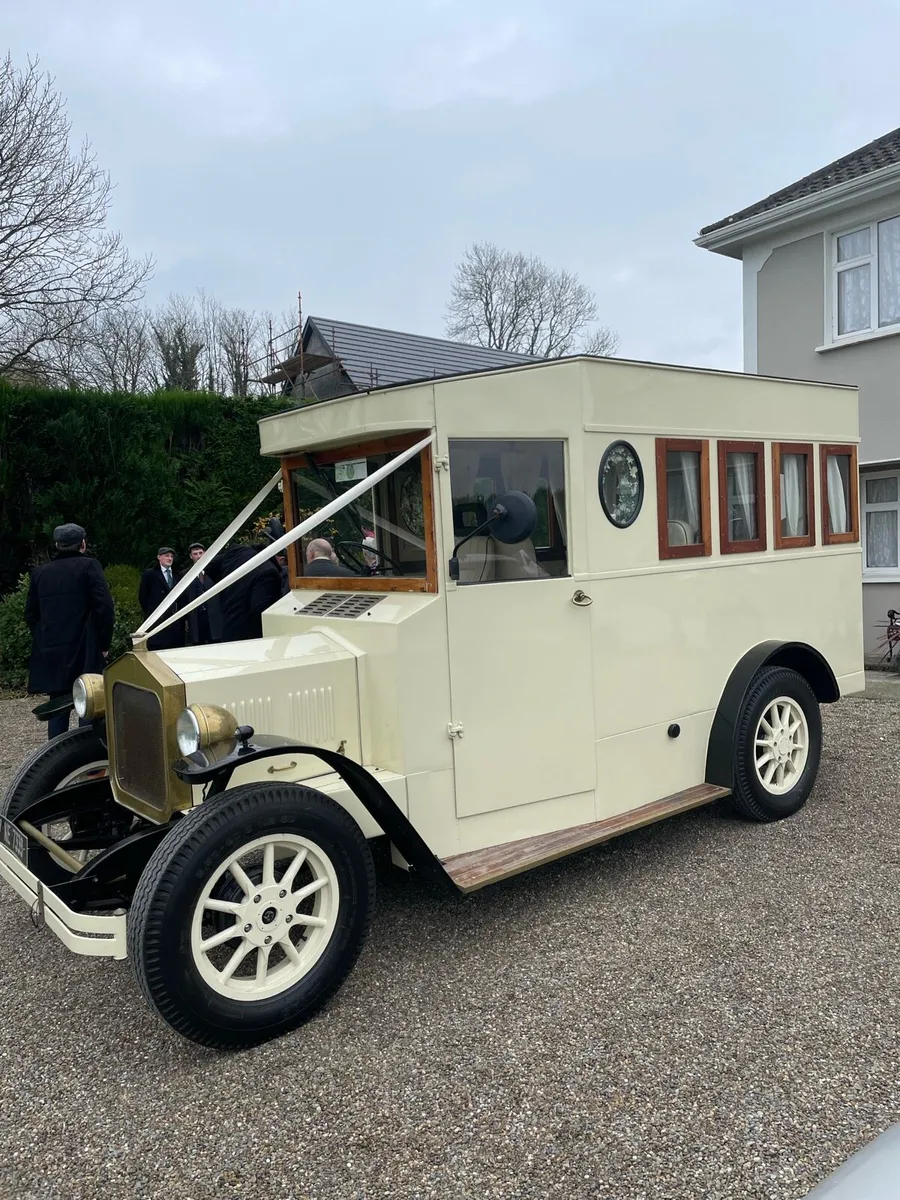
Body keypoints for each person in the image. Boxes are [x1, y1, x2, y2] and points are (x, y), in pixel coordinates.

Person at [24, 523, 115, 740]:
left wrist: (44, 639)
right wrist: (103, 644)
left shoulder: (40, 574)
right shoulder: (89, 567)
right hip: (85, 646)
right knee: (90, 701)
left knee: (57, 706)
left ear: (57, 545)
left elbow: (30, 614)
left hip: (53, 650)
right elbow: (104, 607)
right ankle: (87, 759)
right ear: (83, 543)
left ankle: (56, 759)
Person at [204, 521, 284, 641]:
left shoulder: (239, 553)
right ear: (281, 559)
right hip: (248, 638)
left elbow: (211, 565)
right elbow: (260, 610)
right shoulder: (269, 572)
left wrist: (227, 590)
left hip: (227, 629)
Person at [139, 546, 186, 651]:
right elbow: (143, 597)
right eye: (166, 556)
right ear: (159, 557)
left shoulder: (177, 575)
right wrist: (152, 613)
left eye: (171, 556)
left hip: (175, 623)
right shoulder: (150, 574)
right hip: (157, 622)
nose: (169, 558)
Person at [184, 542, 222, 645]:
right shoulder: (185, 575)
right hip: (196, 618)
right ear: (191, 556)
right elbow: (183, 599)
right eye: (195, 554)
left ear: (205, 554)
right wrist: (186, 620)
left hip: (213, 617)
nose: (198, 556)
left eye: (200, 553)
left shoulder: (214, 571)